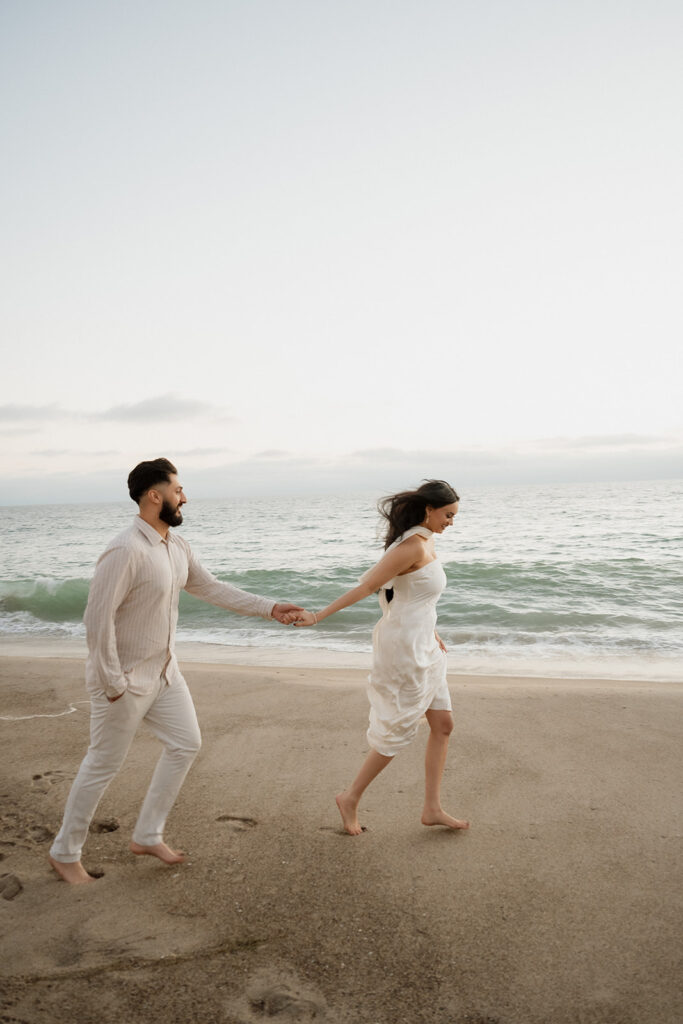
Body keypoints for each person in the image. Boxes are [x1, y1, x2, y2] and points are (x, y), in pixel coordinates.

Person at [48, 458, 302, 884]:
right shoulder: (125, 549)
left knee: (186, 744)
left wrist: (270, 608)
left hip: (165, 674)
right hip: (124, 681)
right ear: (155, 495)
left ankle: (147, 834)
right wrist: (113, 683)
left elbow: (210, 586)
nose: (184, 497)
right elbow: (97, 621)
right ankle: (64, 852)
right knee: (102, 765)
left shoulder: (176, 546)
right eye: (178, 489)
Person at [294, 480, 469, 836]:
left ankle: (432, 808)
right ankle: (350, 797)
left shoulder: (426, 541)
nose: (451, 522)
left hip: (425, 646)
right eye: (448, 515)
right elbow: (368, 587)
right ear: (428, 510)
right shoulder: (410, 547)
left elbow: (406, 596)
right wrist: (317, 616)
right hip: (404, 649)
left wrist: (432, 632)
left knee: (444, 724)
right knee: (397, 729)